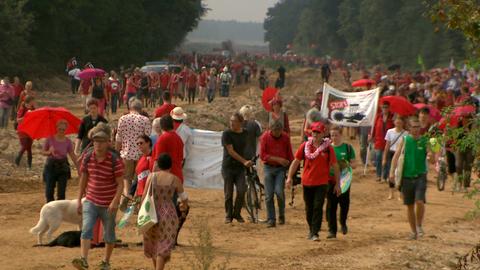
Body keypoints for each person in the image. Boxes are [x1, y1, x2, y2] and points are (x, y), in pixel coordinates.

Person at [73, 123, 124, 270]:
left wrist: (115, 201)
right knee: (86, 228)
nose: (98, 144)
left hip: (109, 203)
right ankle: (83, 259)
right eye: (96, 141)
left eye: (102, 141)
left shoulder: (114, 160)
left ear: (108, 142)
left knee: (109, 233)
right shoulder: (88, 157)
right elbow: (83, 179)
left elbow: (120, 184)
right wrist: (79, 200)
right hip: (91, 200)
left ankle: (106, 262)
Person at [286, 122, 339, 241]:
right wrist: (289, 177)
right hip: (307, 182)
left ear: (323, 133)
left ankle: (315, 232)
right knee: (309, 208)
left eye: (318, 132)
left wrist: (338, 183)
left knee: (318, 207)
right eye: (314, 131)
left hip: (321, 182)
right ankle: (312, 230)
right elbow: (296, 161)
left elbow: (335, 166)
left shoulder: (328, 148)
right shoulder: (305, 146)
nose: (315, 134)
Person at [142, 153, 188, 270]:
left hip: (151, 211)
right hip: (168, 214)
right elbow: (184, 198)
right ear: (170, 166)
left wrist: (142, 211)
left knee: (153, 242)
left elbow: (144, 196)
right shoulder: (175, 179)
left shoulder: (151, 176)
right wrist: (184, 206)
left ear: (158, 164)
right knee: (163, 245)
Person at [390, 117, 432, 240]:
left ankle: (419, 225)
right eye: (413, 127)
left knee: (419, 201)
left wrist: (430, 155)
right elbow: (396, 156)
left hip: (420, 175)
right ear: (409, 128)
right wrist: (392, 172)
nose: (416, 129)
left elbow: (431, 156)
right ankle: (413, 232)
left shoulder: (425, 140)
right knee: (409, 205)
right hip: (406, 177)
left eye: (418, 126)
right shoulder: (405, 140)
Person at [150, 115, 186, 244]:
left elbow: (158, 161)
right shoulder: (178, 138)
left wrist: (152, 176)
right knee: (172, 208)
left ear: (162, 126)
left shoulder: (163, 138)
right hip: (177, 175)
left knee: (163, 208)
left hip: (165, 177)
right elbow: (181, 159)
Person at [115, 98, 151, 209]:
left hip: (126, 154)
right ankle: (136, 205)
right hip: (141, 155)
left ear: (130, 107)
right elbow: (148, 138)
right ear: (141, 108)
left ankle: (126, 195)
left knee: (127, 178)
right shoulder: (145, 120)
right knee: (140, 180)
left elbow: (118, 137)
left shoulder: (122, 119)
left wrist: (117, 153)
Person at [260, 121, 293, 227]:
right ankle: (271, 218)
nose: (277, 133)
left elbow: (290, 154)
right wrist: (278, 159)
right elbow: (263, 155)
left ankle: (281, 215)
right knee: (269, 195)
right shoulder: (265, 137)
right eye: (275, 131)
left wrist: (289, 167)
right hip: (268, 167)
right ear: (271, 130)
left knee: (279, 192)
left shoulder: (285, 137)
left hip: (280, 169)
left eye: (279, 131)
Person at [222, 112, 253, 224]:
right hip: (228, 167)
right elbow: (231, 151)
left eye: (234, 121)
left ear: (241, 123)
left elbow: (248, 147)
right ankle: (228, 215)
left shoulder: (245, 133)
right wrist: (244, 161)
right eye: (231, 121)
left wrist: (250, 159)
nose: (231, 123)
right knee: (228, 193)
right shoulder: (226, 134)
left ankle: (237, 213)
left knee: (241, 190)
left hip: (240, 168)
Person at [326, 125, 355, 239]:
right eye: (332, 135)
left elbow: (354, 164)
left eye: (336, 135)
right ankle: (332, 230)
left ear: (341, 135)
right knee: (331, 205)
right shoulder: (327, 148)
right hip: (331, 180)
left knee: (344, 204)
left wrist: (346, 164)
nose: (334, 137)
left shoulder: (347, 148)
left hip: (344, 180)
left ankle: (343, 222)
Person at [42, 119, 78, 202]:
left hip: (63, 166)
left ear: (66, 130)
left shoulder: (68, 142)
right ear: (56, 128)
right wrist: (49, 152)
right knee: (49, 191)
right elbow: (43, 152)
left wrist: (79, 167)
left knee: (61, 192)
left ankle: (60, 210)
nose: (61, 131)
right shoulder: (50, 139)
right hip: (51, 166)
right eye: (60, 129)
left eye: (63, 129)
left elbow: (72, 154)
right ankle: (50, 209)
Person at [383, 116, 408, 200]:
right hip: (391, 153)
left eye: (400, 121)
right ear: (394, 122)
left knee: (400, 173)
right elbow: (387, 145)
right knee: (391, 174)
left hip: (401, 154)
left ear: (403, 123)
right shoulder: (390, 131)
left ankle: (400, 194)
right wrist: (384, 158)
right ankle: (391, 193)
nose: (398, 123)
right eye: (397, 121)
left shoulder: (406, 133)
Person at [370, 101, 394, 182]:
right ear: (381, 108)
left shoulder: (392, 117)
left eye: (386, 107)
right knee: (379, 157)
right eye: (383, 107)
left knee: (387, 159)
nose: (385, 109)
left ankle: (385, 176)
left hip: (388, 142)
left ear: (389, 108)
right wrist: (371, 135)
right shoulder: (378, 117)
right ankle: (378, 175)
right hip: (378, 141)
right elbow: (374, 127)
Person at [15, 95, 35, 169]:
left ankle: (29, 165)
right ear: (30, 101)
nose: (34, 102)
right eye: (33, 100)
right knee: (25, 145)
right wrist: (27, 115)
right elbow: (18, 120)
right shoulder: (22, 108)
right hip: (22, 130)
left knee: (29, 148)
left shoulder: (33, 108)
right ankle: (17, 160)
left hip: (30, 130)